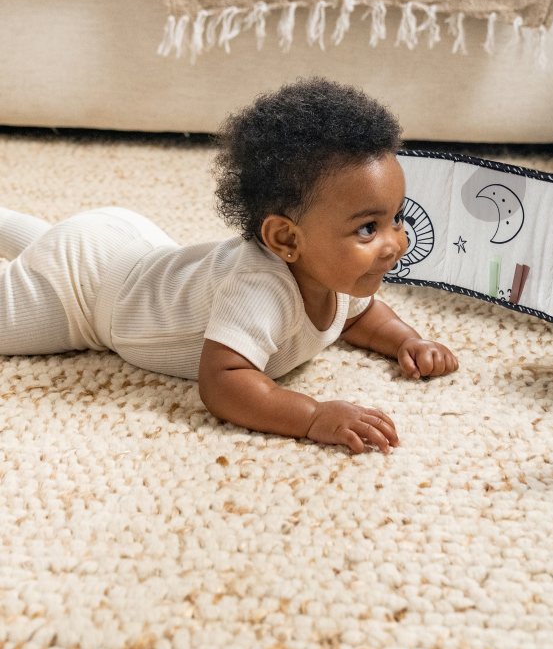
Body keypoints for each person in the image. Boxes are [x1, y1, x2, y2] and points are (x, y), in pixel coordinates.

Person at [0, 78, 458, 453]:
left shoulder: (336, 275)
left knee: (48, 242)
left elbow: (363, 316)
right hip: (84, 292)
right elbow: (224, 384)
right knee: (28, 283)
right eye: (367, 228)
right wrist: (313, 415)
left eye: (396, 218)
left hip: (127, 245)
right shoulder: (259, 289)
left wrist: (407, 340)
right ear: (285, 239)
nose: (396, 242)